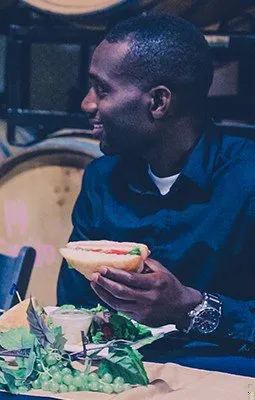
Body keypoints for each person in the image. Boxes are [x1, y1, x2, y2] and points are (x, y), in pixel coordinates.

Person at [57, 13, 254, 355]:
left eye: (102, 89)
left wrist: (189, 306)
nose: (87, 103)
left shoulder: (247, 181)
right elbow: (72, 307)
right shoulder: (101, 180)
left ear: (159, 102)